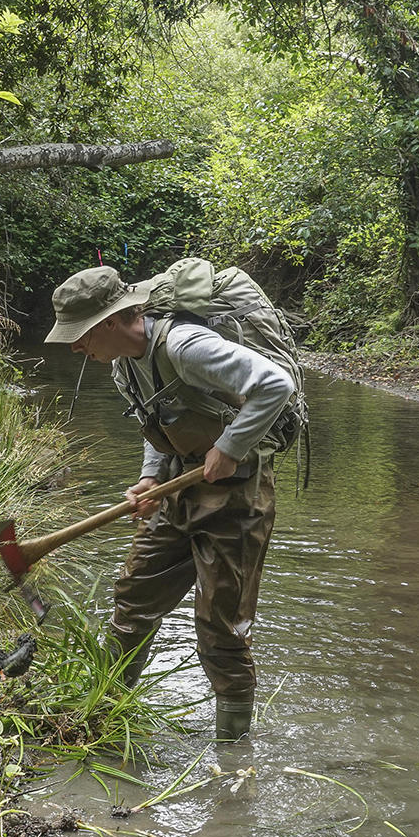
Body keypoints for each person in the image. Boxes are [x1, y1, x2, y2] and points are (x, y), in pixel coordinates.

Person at [44, 262, 295, 741]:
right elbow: (154, 421)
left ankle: (234, 756)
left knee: (222, 628)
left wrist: (231, 446)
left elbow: (274, 384)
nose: (76, 347)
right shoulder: (123, 365)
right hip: (176, 489)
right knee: (134, 599)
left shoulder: (186, 345)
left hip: (237, 497)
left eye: (81, 336)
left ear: (111, 322)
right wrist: (147, 478)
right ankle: (100, 714)